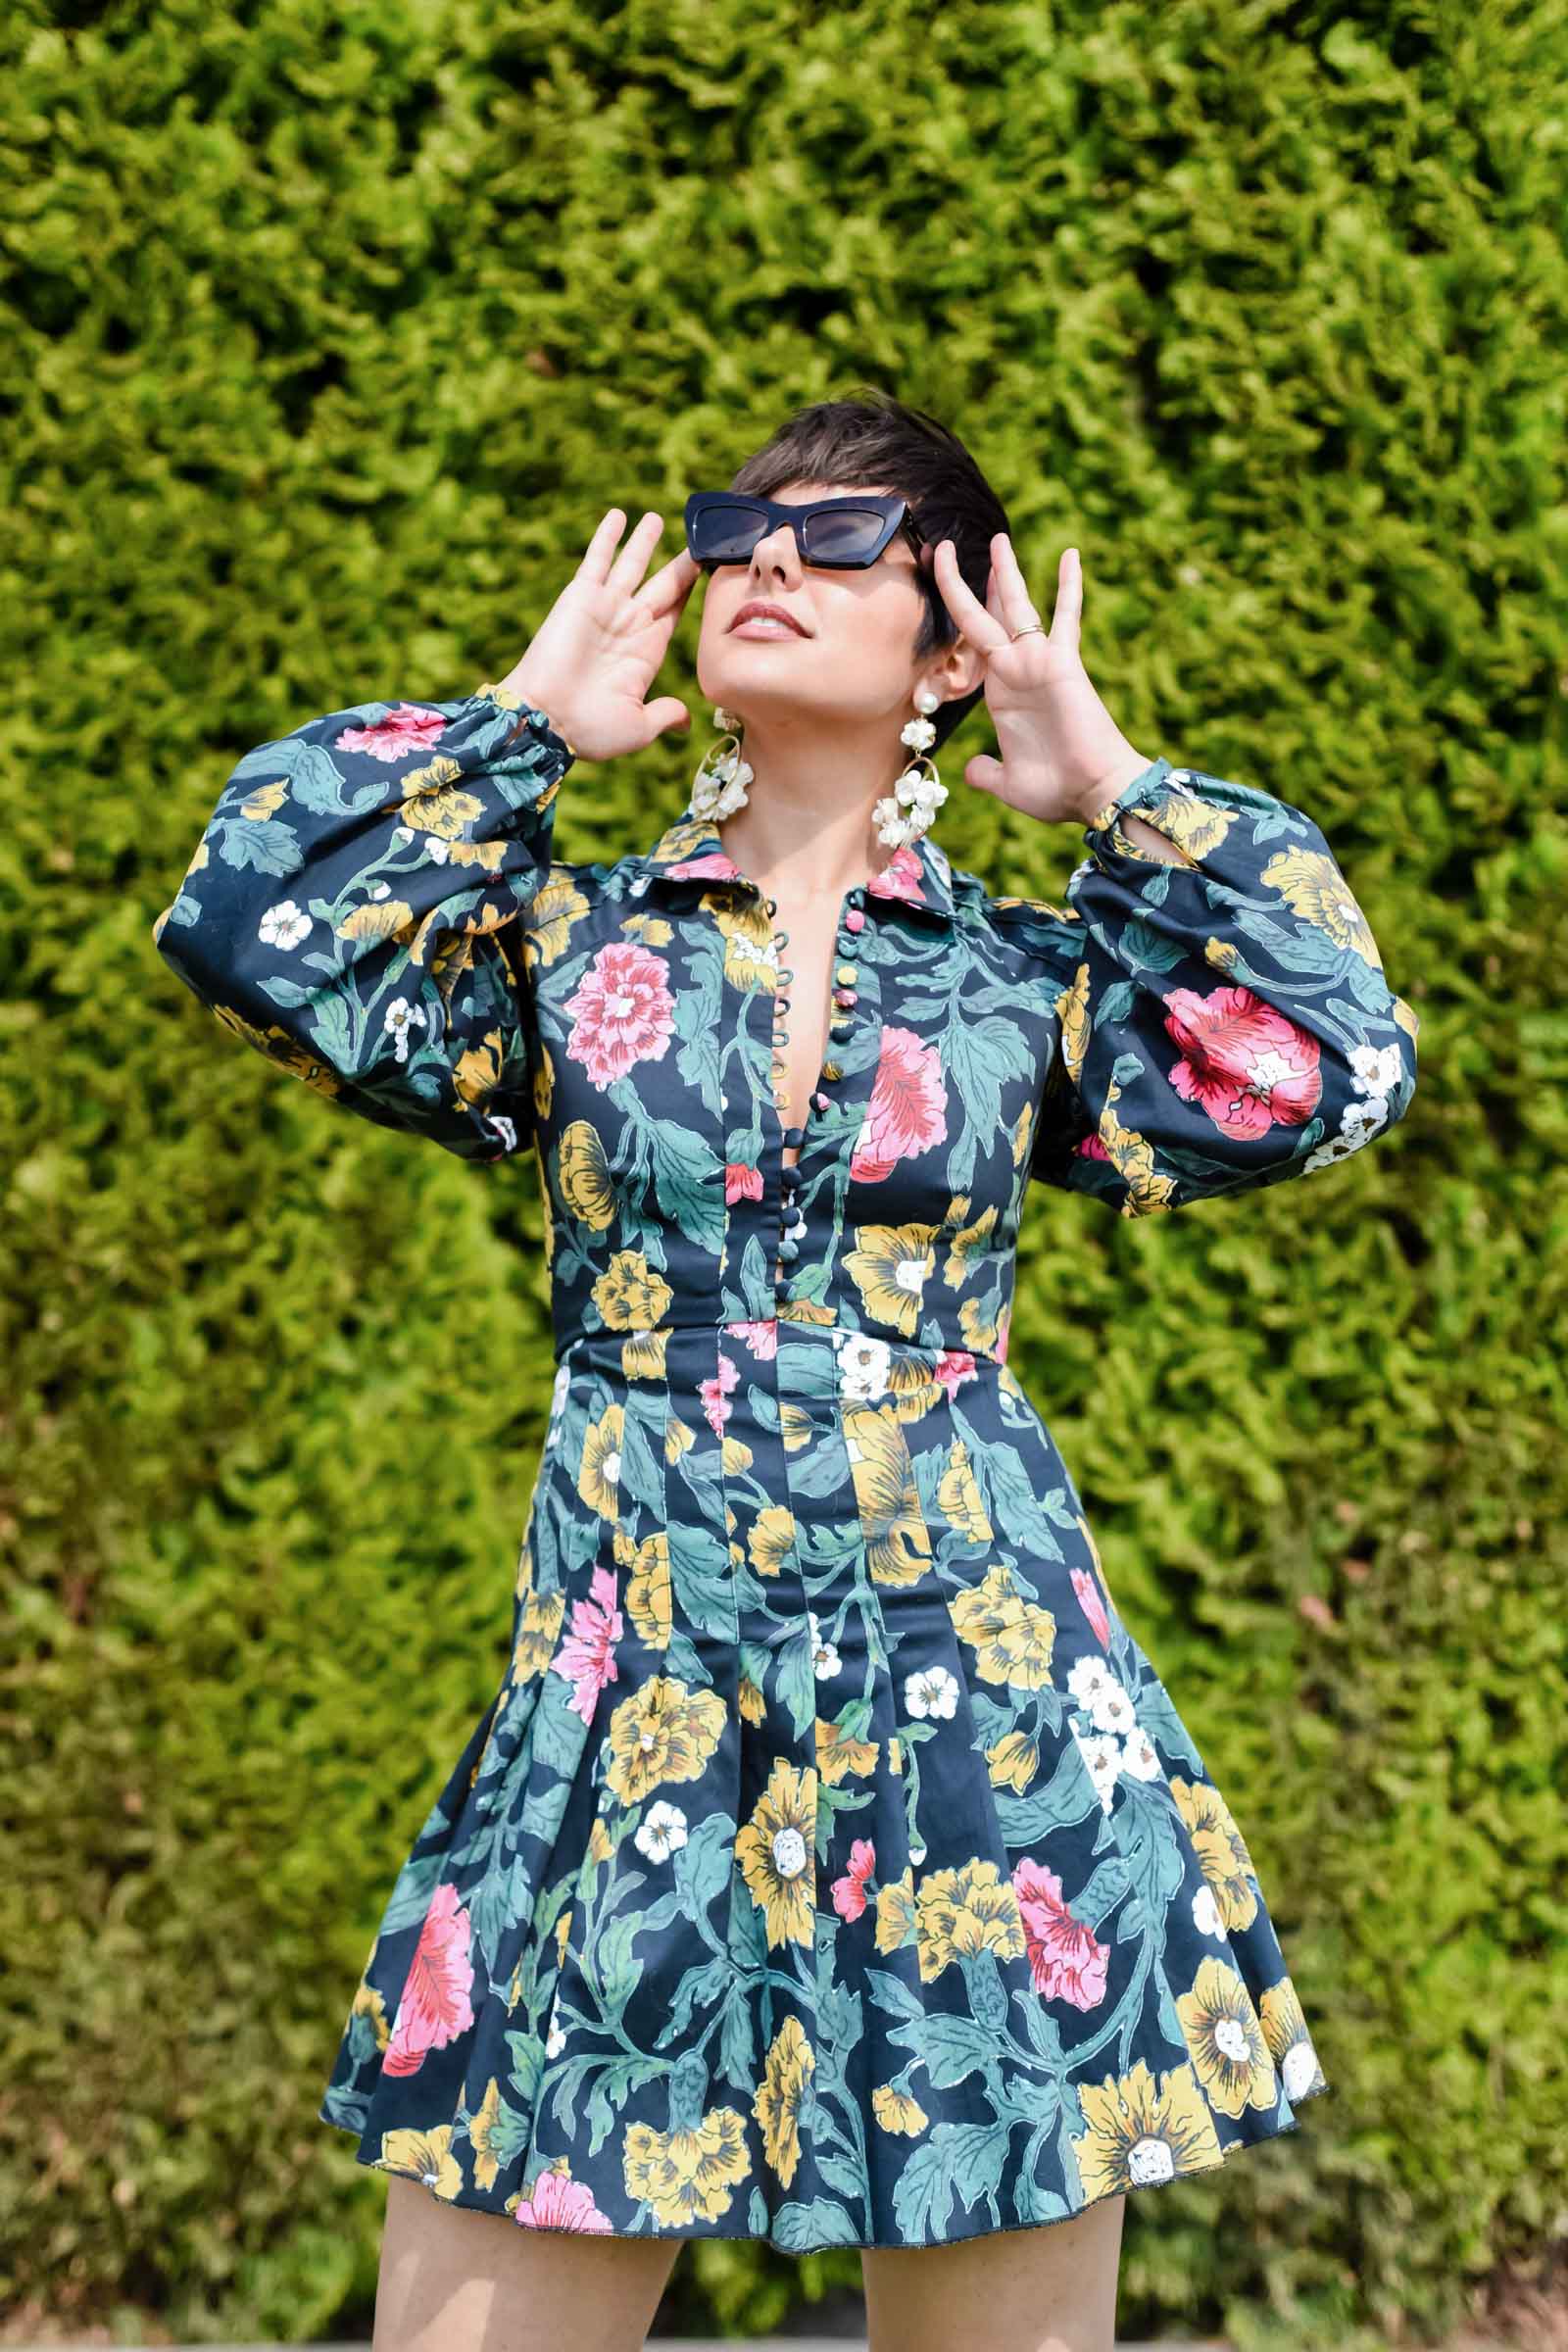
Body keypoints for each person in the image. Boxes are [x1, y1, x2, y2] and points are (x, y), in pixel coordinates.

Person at [151, 392, 1418, 2352]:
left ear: (946, 650)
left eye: (838, 542)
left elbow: (1332, 1064)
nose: (764, 561)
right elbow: (251, 922)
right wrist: (520, 727)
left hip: (983, 1734)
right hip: (622, 1729)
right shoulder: (565, 952)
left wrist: (1108, 783)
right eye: (736, 529)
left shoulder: (1022, 980)